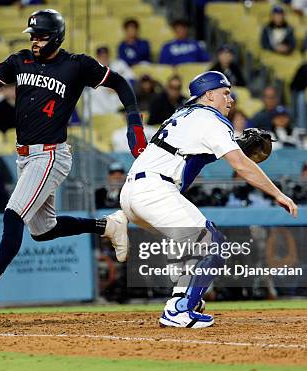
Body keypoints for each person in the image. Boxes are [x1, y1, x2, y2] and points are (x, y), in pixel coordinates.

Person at [0, 9, 146, 309]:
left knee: (13, 213)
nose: (35, 41)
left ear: (57, 37)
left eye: (42, 36)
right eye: (32, 36)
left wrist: (134, 119)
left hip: (51, 154)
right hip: (25, 155)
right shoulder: (20, 60)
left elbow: (120, 83)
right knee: (43, 230)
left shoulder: (76, 65)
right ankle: (108, 226)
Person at [119, 70, 297, 328]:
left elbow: (191, 162)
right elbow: (241, 166)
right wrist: (278, 193)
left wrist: (231, 146)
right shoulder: (211, 119)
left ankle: (184, 296)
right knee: (212, 243)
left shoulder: (183, 114)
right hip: (154, 190)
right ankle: (179, 310)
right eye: (225, 93)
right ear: (209, 95)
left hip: (136, 191)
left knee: (199, 241)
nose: (231, 99)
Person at [83, 46, 134, 117]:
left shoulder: (119, 64)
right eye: (101, 57)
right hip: (100, 100)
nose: (104, 59)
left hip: (116, 97)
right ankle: (98, 118)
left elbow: (131, 80)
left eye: (106, 56)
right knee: (92, 94)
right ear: (97, 57)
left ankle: (117, 114)